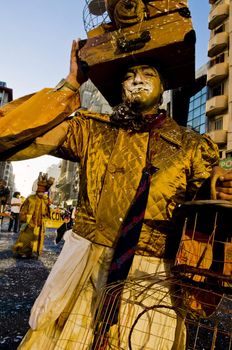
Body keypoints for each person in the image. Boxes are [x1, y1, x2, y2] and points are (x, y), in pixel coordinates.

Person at [0, 40, 232, 349]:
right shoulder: (91, 130)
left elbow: (205, 205)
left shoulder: (191, 146)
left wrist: (217, 185)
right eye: (129, 75)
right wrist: (71, 84)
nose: (137, 80)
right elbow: (7, 138)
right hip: (82, 269)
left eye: (147, 73)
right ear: (120, 87)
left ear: (163, 86)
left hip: (151, 277)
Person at [12, 173, 53, 259]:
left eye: (43, 192)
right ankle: (19, 251)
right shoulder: (31, 198)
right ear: (37, 191)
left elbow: (47, 210)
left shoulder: (45, 200)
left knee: (36, 239)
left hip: (39, 223)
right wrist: (23, 220)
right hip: (29, 222)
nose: (41, 193)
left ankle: (33, 253)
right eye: (40, 191)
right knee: (25, 238)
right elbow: (24, 209)